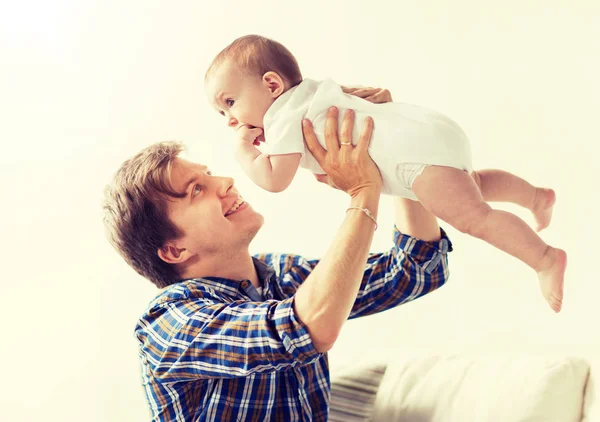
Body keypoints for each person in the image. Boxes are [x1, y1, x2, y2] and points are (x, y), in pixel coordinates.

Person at [103, 106, 452, 421]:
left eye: (210, 175)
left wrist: (394, 156)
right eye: (196, 190)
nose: (226, 182)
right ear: (174, 251)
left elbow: (413, 273)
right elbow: (306, 327)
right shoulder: (169, 323)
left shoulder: (281, 275)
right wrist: (362, 192)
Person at [204, 34, 566, 313]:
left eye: (230, 103)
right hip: (425, 131)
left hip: (412, 159)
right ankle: (536, 196)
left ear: (271, 85)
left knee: (475, 217)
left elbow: (274, 180)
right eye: (222, 115)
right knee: (475, 185)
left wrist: (244, 150)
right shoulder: (311, 93)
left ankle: (545, 258)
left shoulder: (281, 117)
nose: (231, 120)